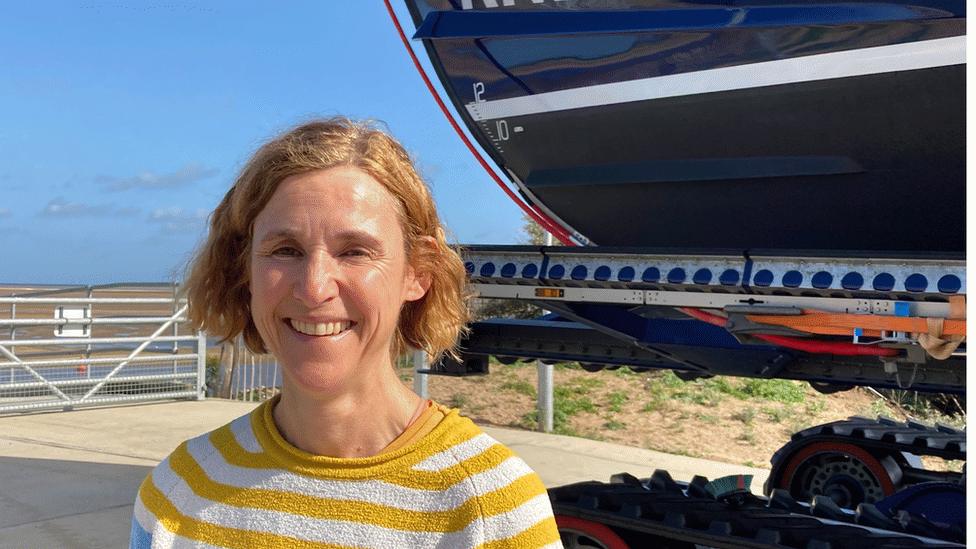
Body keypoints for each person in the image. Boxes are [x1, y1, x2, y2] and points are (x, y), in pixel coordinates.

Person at [129, 117, 563, 548]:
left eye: (355, 251)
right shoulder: (181, 490)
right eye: (285, 250)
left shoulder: (493, 510)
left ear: (419, 272)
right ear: (245, 270)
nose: (315, 288)